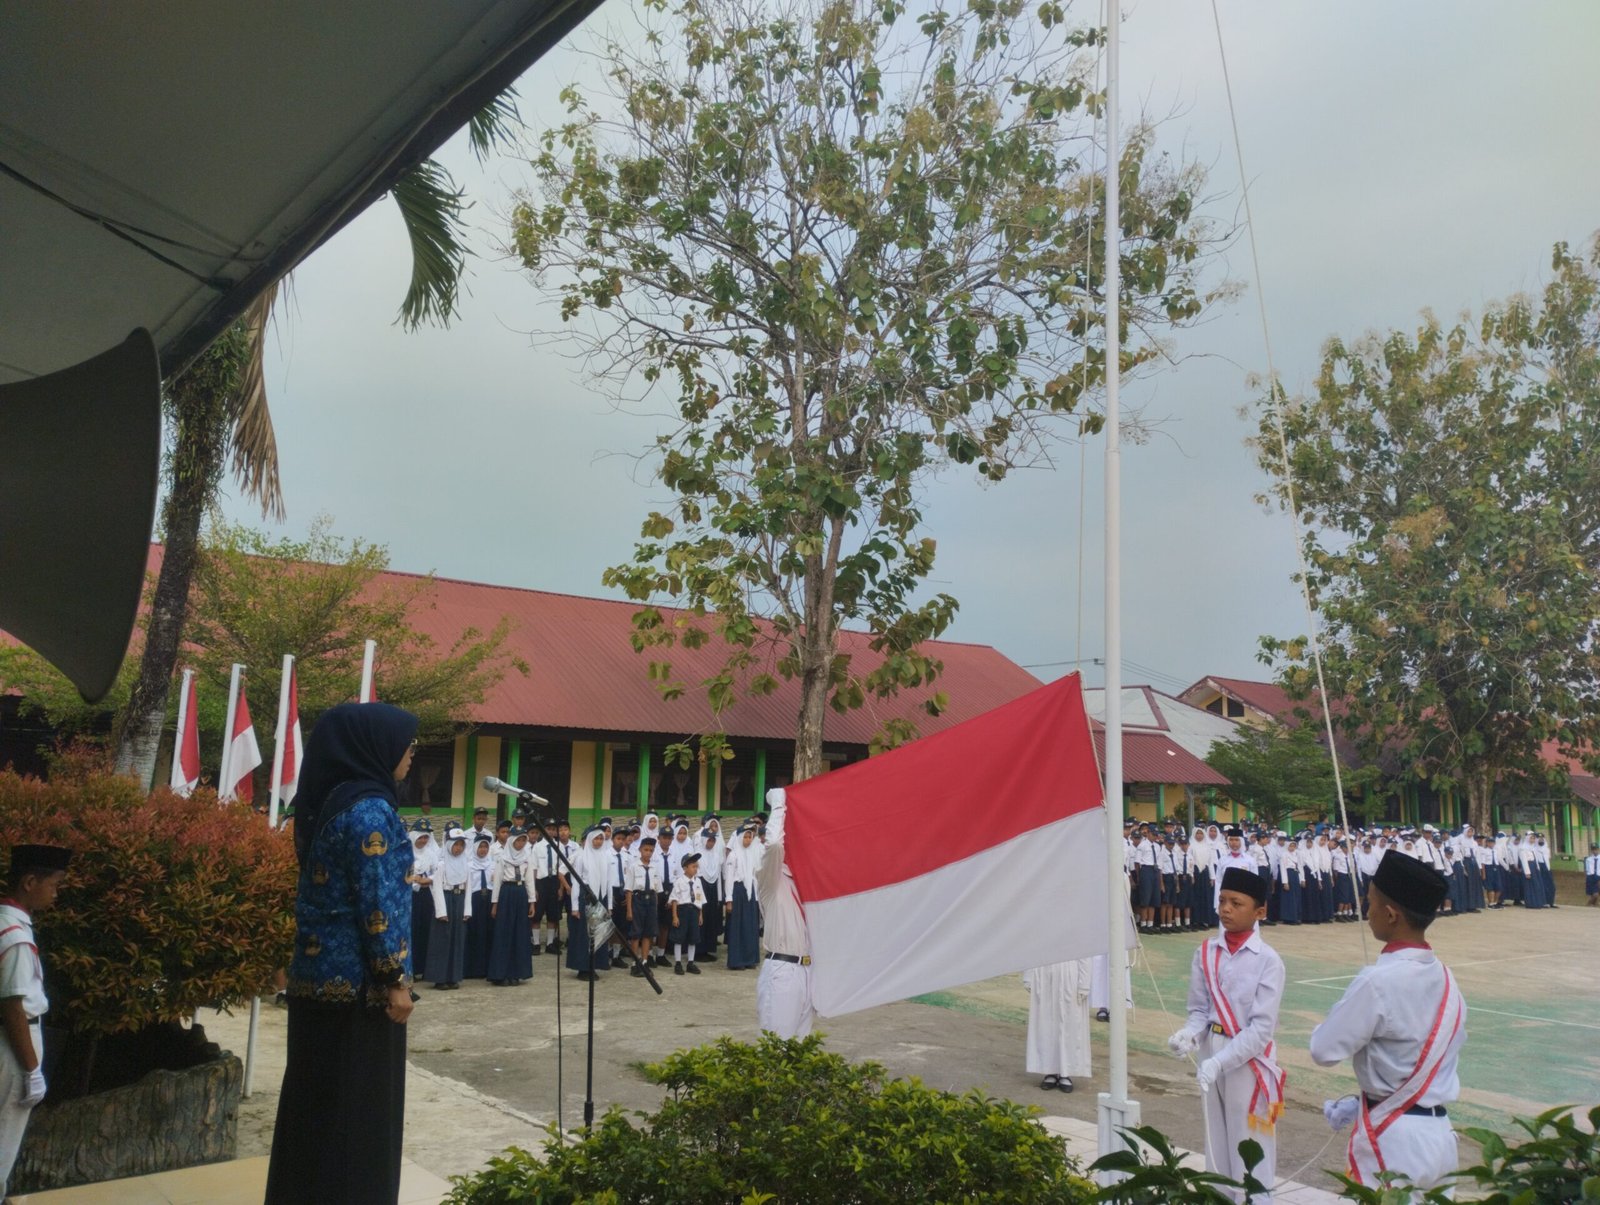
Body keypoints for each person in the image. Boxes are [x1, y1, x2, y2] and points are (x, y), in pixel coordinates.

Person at [266, 702, 418, 1205]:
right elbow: (377, 906)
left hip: (316, 982)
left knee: (316, 1114)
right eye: (406, 744)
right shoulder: (371, 811)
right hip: (360, 993)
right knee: (358, 1123)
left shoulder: (330, 801)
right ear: (376, 748)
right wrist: (394, 979)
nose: (412, 754)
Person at [1310, 849, 1466, 1193]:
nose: (1368, 914)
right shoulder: (1448, 980)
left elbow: (1323, 1050)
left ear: (1391, 914)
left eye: (1371, 904)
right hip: (1439, 1135)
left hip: (1395, 1138)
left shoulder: (1377, 981)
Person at [1167, 866, 1286, 1201]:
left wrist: (1219, 1062)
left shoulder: (1268, 961)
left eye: (1236, 903)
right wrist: (1188, 1036)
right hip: (1211, 1050)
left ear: (1260, 912)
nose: (1226, 909)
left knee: (1249, 1142)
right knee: (1216, 1142)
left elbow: (1262, 1029)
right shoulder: (1205, 951)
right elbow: (1200, 1011)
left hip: (1247, 1059)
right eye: (1222, 901)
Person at [0, 843, 72, 1199]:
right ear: (30, 881)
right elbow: (13, 1006)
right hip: (13, 1049)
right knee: (2, 1147)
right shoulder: (13, 936)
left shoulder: (7, 923)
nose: (56, 893)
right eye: (54, 884)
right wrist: (31, 1070)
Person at [754, 789, 815, 1038]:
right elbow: (775, 844)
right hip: (782, 970)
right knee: (777, 1050)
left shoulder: (809, 884)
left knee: (801, 1053)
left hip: (808, 971)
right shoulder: (772, 880)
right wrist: (778, 803)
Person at [1023, 958, 1091, 1093]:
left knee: (1070, 1025)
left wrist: (1084, 983)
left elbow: (1085, 952)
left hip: (1069, 974)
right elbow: (1031, 944)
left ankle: (1066, 1072)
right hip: (1043, 972)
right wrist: (1028, 975)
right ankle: (1050, 1070)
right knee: (1046, 1024)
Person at [424, 829, 471, 990]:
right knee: (442, 940)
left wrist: (467, 911)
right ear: (449, 845)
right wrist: (441, 911)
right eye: (455, 844)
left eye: (461, 845)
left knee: (457, 939)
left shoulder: (466, 863)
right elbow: (436, 888)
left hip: (459, 900)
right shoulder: (442, 864)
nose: (458, 848)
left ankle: (453, 976)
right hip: (446, 899)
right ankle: (440, 978)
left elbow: (468, 888)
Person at [486, 829, 534, 987]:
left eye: (523, 840)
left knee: (519, 933)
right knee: (504, 932)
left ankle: (516, 973)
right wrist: (495, 904)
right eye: (517, 841)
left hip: (521, 894)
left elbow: (529, 880)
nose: (520, 844)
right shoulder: (502, 858)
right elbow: (497, 881)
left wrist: (531, 901)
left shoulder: (527, 857)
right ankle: (501, 973)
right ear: (511, 841)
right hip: (506, 893)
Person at [566, 826, 613, 981]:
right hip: (585, 898)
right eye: (596, 838)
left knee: (599, 933)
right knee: (584, 935)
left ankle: (594, 966)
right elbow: (576, 882)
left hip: (601, 898)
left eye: (601, 838)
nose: (599, 841)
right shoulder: (581, 857)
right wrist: (574, 907)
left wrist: (610, 905)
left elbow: (608, 882)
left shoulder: (606, 857)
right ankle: (583, 968)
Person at [722, 824, 761, 971]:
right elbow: (729, 878)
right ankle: (737, 960)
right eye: (745, 836)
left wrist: (756, 896)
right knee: (738, 926)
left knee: (750, 925)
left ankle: (750, 958)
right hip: (738, 891)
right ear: (739, 838)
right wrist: (729, 899)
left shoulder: (752, 853)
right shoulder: (733, 855)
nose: (748, 840)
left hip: (750, 892)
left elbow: (754, 876)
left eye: (750, 837)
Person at [624, 836, 662, 975]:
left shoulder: (655, 867)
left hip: (650, 900)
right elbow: (629, 890)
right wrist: (629, 910)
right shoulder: (633, 867)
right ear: (640, 850)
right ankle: (635, 962)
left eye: (651, 850)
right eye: (646, 850)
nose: (648, 853)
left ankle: (645, 962)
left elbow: (657, 890)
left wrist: (655, 908)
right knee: (636, 934)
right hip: (638, 900)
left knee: (648, 933)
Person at [668, 852, 707, 975]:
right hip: (682, 911)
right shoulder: (679, 882)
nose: (696, 869)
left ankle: (691, 962)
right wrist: (675, 916)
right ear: (685, 868)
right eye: (693, 866)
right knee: (679, 938)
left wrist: (700, 914)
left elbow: (699, 898)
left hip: (694, 911)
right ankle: (678, 963)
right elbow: (674, 900)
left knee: (693, 938)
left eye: (697, 866)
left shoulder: (698, 882)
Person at [464, 836, 496, 979]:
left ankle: (487, 968)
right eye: (481, 847)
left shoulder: (493, 864)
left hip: (489, 900)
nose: (483, 850)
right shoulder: (468, 865)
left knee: (488, 933)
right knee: (474, 933)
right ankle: (472, 969)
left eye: (486, 847)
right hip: (474, 900)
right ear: (475, 848)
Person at [407, 823, 436, 977]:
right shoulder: (406, 852)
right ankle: (410, 967)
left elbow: (437, 872)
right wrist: (414, 880)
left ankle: (422, 968)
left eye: (426, 837)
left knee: (425, 929)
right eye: (421, 837)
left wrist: (427, 880)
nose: (423, 840)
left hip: (426, 895)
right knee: (411, 929)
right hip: (410, 895)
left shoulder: (431, 853)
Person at [1585, 842, 1600, 907]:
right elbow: (1587, 870)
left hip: (1598, 876)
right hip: (1591, 877)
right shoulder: (1588, 859)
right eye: (1593, 849)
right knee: (1594, 894)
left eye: (1596, 849)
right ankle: (1588, 905)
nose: (1595, 851)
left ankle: (1592, 905)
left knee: (1596, 895)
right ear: (1591, 850)